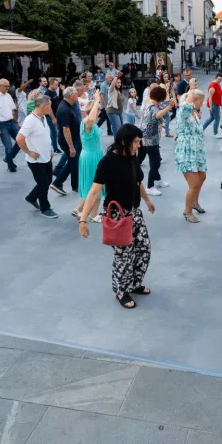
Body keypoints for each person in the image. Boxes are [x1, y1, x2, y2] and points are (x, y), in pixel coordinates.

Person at [78, 124, 157, 310]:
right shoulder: (107, 162)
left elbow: (137, 181)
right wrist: (83, 219)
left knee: (144, 249)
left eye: (139, 142)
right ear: (124, 141)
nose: (139, 145)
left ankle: (135, 283)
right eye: (136, 142)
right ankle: (122, 291)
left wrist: (146, 201)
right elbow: (95, 191)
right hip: (117, 216)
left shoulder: (132, 156)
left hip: (135, 212)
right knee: (124, 256)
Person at [18, 90, 57, 218]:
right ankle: (45, 208)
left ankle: (31, 197)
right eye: (49, 106)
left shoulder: (43, 118)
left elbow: (45, 136)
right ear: (43, 106)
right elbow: (19, 138)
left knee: (48, 180)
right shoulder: (30, 120)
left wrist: (50, 150)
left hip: (46, 156)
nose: (51, 108)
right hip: (35, 159)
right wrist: (29, 152)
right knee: (43, 183)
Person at [175, 89, 208, 223]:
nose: (203, 103)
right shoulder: (184, 111)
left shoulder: (194, 113)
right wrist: (192, 89)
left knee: (202, 177)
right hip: (187, 151)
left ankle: (195, 202)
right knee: (194, 183)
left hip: (196, 151)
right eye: (201, 101)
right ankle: (187, 212)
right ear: (194, 101)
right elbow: (186, 106)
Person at [75, 89, 105, 222]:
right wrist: (97, 100)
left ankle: (79, 209)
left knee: (90, 184)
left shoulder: (86, 123)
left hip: (92, 156)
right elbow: (92, 118)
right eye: (98, 110)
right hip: (92, 158)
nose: (99, 112)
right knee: (96, 186)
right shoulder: (88, 123)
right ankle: (93, 214)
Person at [138, 85, 175, 196]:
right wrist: (169, 107)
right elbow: (156, 115)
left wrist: (169, 102)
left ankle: (158, 180)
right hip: (150, 140)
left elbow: (162, 106)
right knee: (155, 162)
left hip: (145, 137)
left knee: (153, 160)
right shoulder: (153, 107)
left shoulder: (150, 104)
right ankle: (150, 186)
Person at [51, 85, 82, 197]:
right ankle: (71, 185)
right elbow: (66, 129)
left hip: (74, 138)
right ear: (72, 96)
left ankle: (59, 183)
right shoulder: (65, 109)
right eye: (76, 94)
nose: (78, 95)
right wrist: (71, 147)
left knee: (73, 161)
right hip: (68, 140)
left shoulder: (69, 105)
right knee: (73, 161)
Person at [0, 78, 20, 173]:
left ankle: (9, 158)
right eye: (6, 86)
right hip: (1, 124)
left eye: (9, 86)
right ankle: (10, 165)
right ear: (0, 86)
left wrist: (16, 122)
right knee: (8, 146)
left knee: (21, 141)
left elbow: (13, 109)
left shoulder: (8, 96)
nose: (8, 88)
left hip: (11, 122)